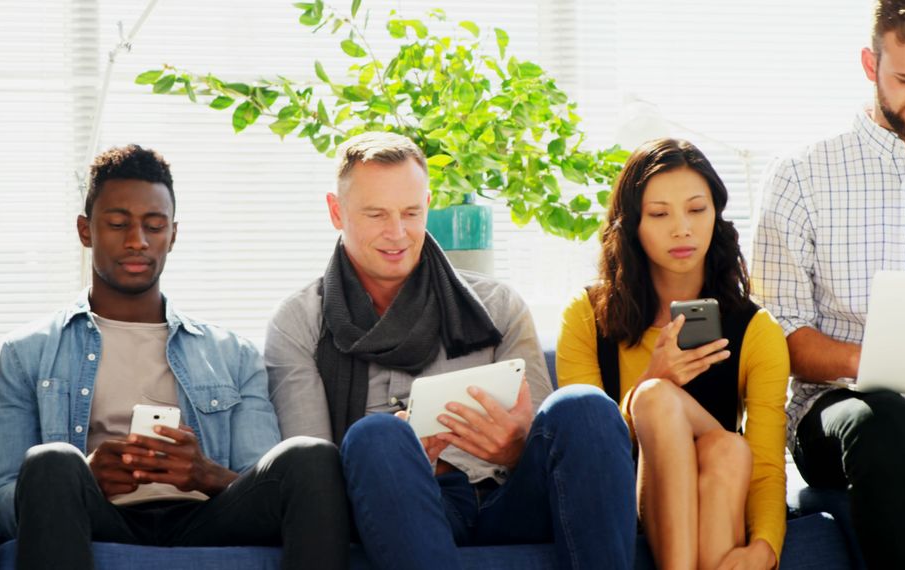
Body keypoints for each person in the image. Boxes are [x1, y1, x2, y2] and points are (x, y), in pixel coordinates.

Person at [265, 131, 636, 569]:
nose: (397, 233)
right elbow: (313, 481)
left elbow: (548, 444)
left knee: (585, 405)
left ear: (428, 204)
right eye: (376, 214)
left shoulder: (498, 306)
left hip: (507, 497)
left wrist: (513, 449)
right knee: (377, 436)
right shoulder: (300, 322)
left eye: (411, 212)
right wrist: (402, 462)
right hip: (399, 504)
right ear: (336, 211)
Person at [0, 145, 349, 570]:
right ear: (86, 231)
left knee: (311, 455)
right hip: (98, 516)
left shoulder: (232, 354)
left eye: (154, 227)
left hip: (207, 516)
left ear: (172, 235)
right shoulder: (26, 353)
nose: (137, 241)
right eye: (118, 224)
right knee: (52, 461)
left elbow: (261, 482)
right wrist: (86, 478)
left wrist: (206, 474)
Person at [557, 138, 788, 569]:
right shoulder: (586, 317)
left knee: (730, 451)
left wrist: (765, 549)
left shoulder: (757, 332)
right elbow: (583, 448)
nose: (682, 228)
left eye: (697, 210)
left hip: (716, 500)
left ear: (716, 217)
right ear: (632, 226)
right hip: (620, 502)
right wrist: (652, 379)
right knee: (656, 398)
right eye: (660, 214)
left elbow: (768, 464)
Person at [751, 1, 905, 566]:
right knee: (883, 417)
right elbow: (783, 336)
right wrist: (882, 364)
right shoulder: (800, 174)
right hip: (836, 411)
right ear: (870, 65)